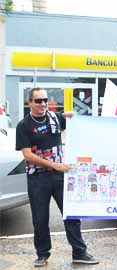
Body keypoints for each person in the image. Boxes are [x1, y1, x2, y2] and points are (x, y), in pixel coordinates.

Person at [15, 88, 99, 267]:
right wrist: (54, 165)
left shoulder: (55, 118)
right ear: (29, 102)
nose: (43, 104)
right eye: (38, 101)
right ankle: (42, 254)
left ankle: (79, 252)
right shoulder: (24, 125)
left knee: (71, 214)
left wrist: (81, 116)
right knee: (40, 219)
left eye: (45, 100)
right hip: (37, 178)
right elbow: (27, 155)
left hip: (60, 177)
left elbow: (76, 120)